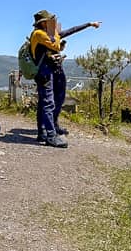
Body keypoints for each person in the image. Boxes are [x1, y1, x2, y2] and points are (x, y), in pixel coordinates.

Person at [30, 10, 101, 148]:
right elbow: (55, 45)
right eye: (50, 21)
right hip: (43, 73)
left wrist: (89, 24)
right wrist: (58, 41)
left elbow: (71, 30)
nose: (53, 23)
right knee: (48, 102)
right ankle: (50, 135)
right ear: (43, 23)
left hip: (50, 71)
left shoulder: (48, 34)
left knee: (48, 101)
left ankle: (44, 132)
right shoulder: (39, 34)